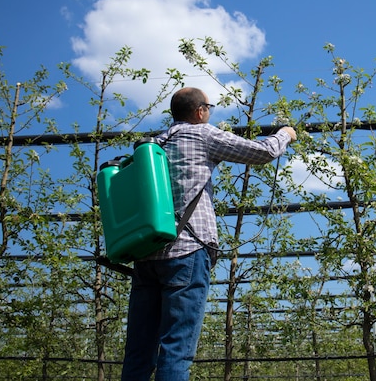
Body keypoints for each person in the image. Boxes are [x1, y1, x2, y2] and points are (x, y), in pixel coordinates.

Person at [120, 87, 297, 381]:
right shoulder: (202, 134)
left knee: (138, 351)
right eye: (210, 108)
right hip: (187, 250)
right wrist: (285, 134)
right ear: (201, 111)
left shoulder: (152, 145)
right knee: (176, 349)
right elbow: (263, 153)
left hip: (146, 253)